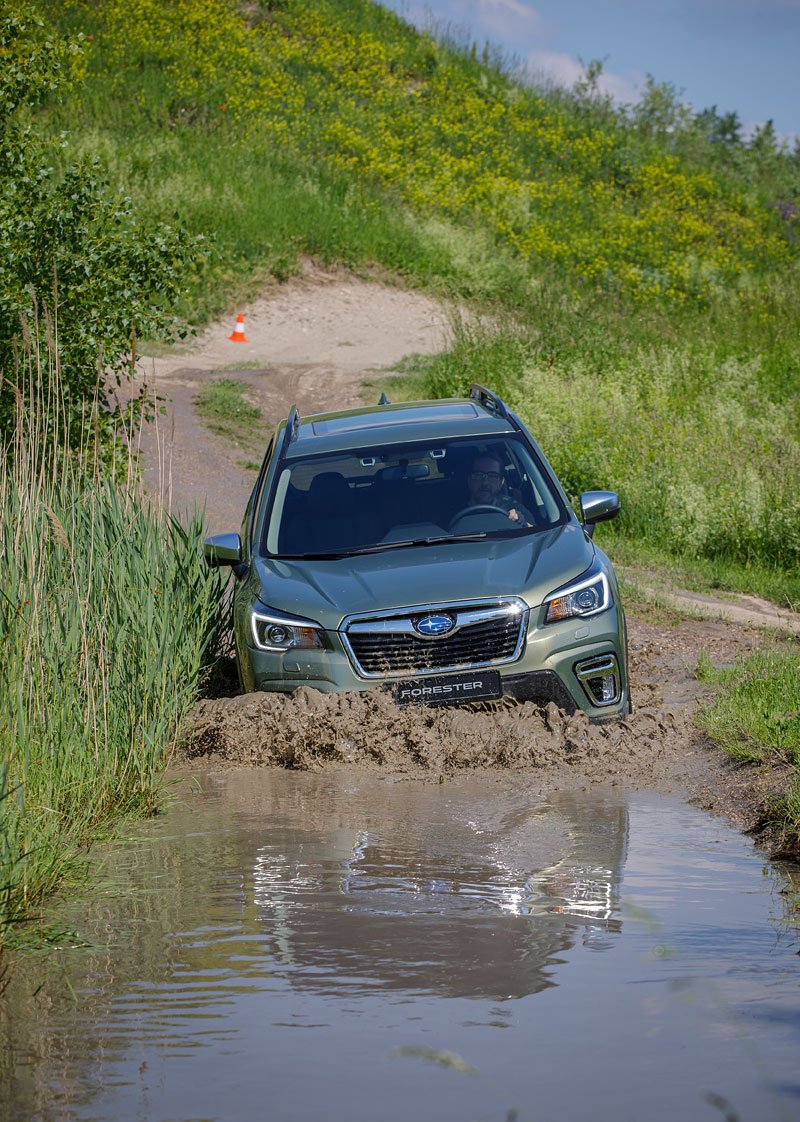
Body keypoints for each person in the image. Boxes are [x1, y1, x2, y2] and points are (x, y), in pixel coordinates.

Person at [459, 454, 534, 526]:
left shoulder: (513, 507)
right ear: (469, 480)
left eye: (492, 476)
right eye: (478, 475)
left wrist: (523, 523)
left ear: (501, 482)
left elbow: (537, 534)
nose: (485, 482)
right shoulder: (452, 511)